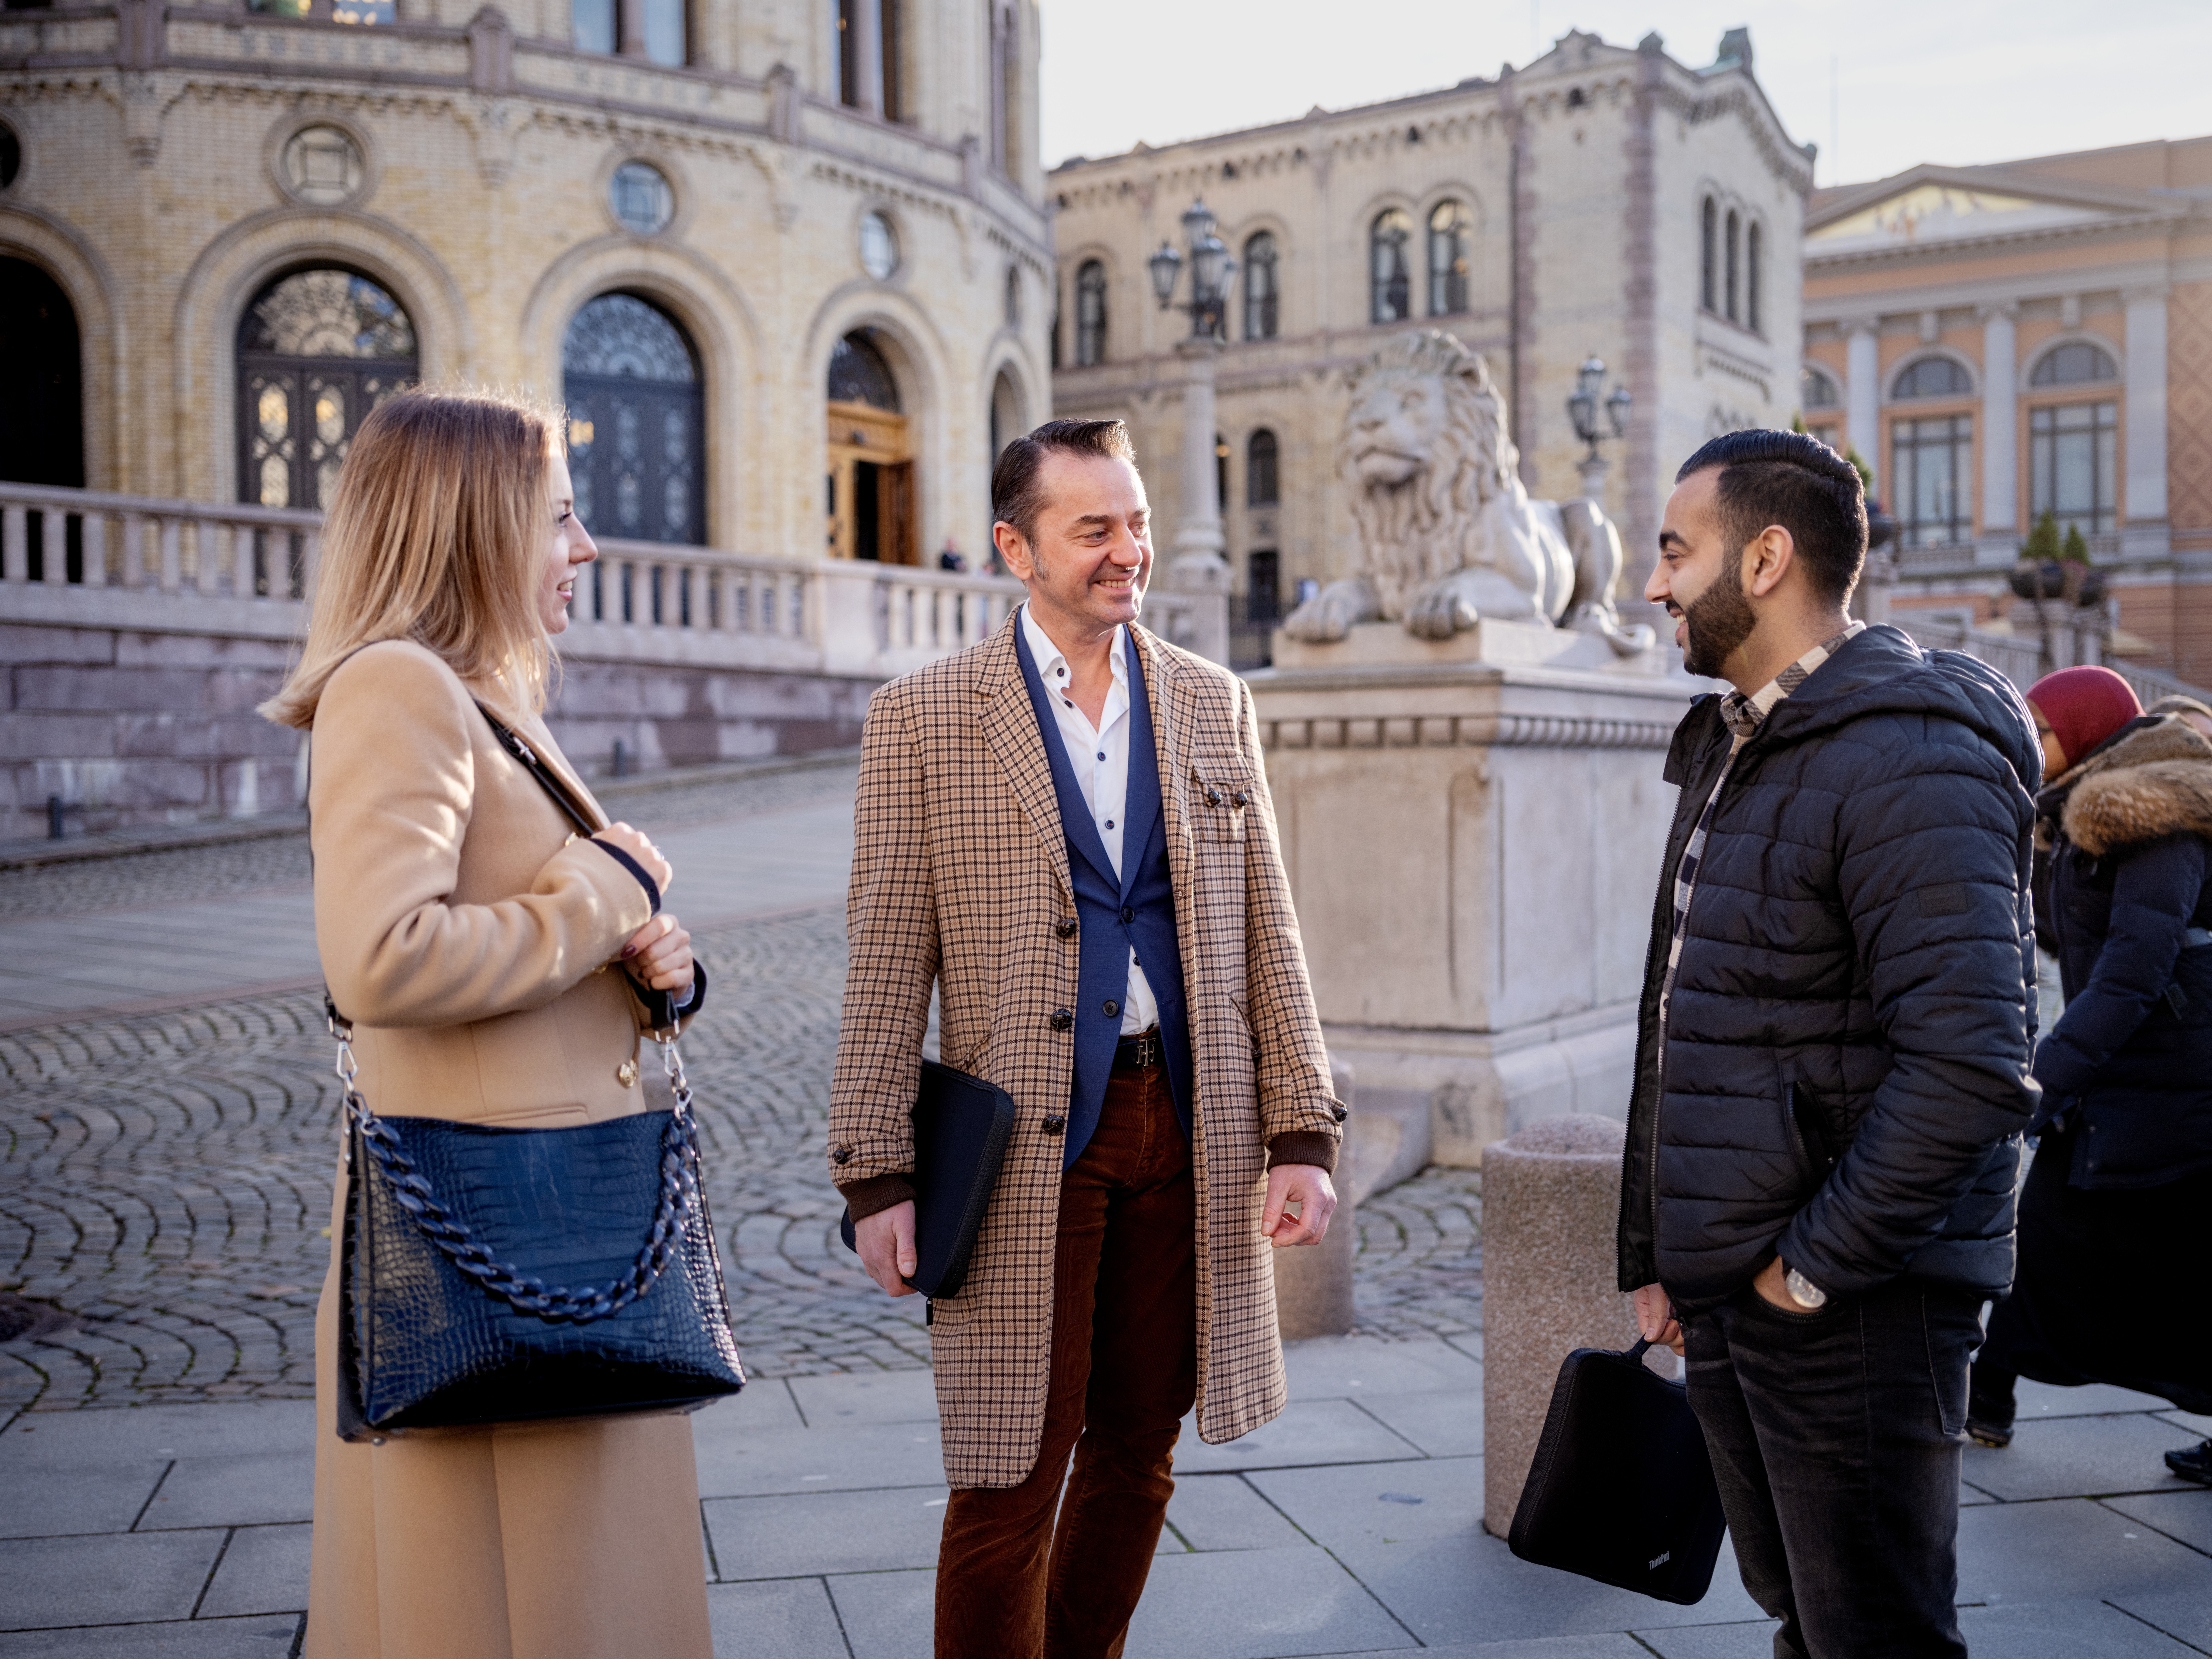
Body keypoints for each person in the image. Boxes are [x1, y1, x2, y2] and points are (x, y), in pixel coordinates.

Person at [827, 417, 1345, 1659]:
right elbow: (889, 956)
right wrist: (874, 1172)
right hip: (1025, 1135)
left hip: (1193, 1117)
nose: (1130, 552)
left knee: (1141, 1440)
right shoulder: (925, 717)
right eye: (1094, 528)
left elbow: (1269, 925)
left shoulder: (1214, 703)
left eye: (1139, 522)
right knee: (1012, 1463)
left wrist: (1302, 1127)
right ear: (1016, 545)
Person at [262, 389, 712, 1659]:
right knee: (511, 1607)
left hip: (561, 1234)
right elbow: (380, 958)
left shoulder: (482, 696)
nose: (587, 549)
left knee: (575, 1593)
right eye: (560, 519)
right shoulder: (397, 690)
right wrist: (599, 892)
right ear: (474, 525)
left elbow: (524, 929)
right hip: (492, 1236)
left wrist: (648, 972)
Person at [1616, 429, 2041, 1659]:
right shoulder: (1741, 739)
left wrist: (1807, 1270)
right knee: (1809, 1619)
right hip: (1741, 1287)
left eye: (1673, 551)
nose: (1653, 585)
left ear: (1764, 557)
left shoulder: (1913, 754)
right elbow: (1684, 1014)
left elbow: (1971, 1065)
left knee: (1877, 1635)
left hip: (1851, 1299)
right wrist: (1666, 1249)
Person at [1969, 666, 2212, 1479]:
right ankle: (1984, 1398)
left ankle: (1984, 1397)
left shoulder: (2154, 819)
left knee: (2169, 1266)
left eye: (2039, 731)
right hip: (2121, 1085)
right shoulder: (2078, 814)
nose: (2032, 748)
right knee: (2045, 1237)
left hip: (2169, 1091)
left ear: (2083, 727)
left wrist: (2046, 1078)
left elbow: (2135, 970)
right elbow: (2055, 936)